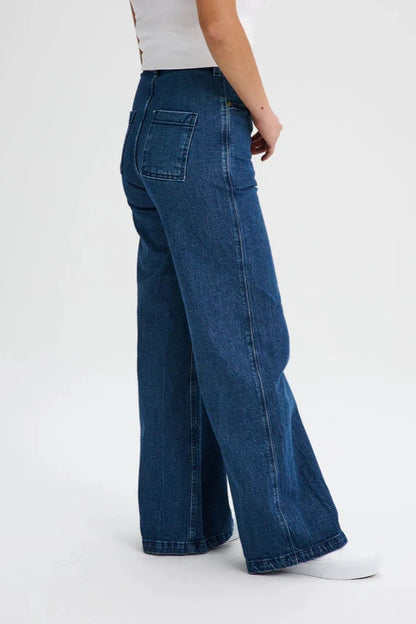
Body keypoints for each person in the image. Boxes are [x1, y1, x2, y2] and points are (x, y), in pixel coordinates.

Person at [119, 0, 381, 579]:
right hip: (203, 115)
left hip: (149, 113)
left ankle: (179, 521)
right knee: (244, 331)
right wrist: (264, 112)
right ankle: (296, 534)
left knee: (175, 332)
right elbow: (217, 24)